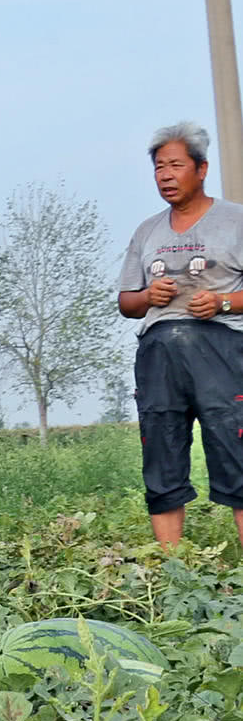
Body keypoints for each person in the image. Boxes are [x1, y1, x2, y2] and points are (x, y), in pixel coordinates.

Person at [117, 122, 243, 549]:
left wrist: (224, 303)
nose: (165, 175)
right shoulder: (147, 231)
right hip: (159, 355)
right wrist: (149, 296)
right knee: (162, 455)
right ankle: (173, 574)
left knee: (235, 452)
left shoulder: (235, 221)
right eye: (158, 168)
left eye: (175, 165)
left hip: (223, 349)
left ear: (201, 168)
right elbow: (126, 303)